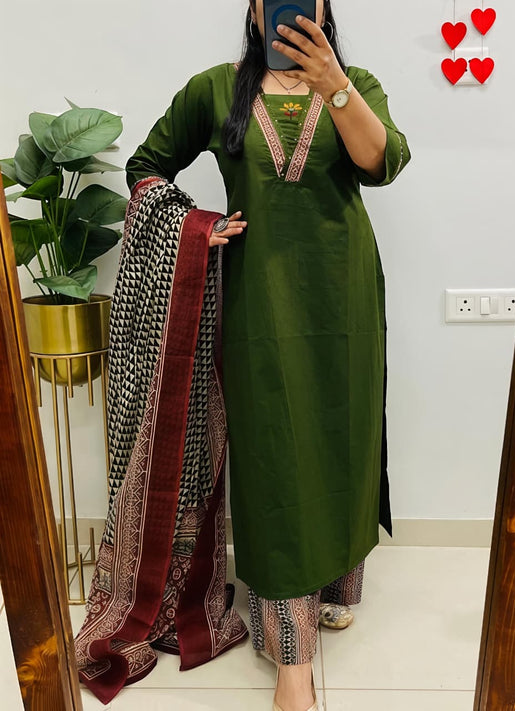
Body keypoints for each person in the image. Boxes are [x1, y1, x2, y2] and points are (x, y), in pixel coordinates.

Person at [124, 2, 410, 710]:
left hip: (344, 300)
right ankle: (291, 656)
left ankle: (334, 585)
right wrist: (198, 225)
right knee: (273, 456)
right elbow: (147, 167)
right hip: (260, 301)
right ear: (253, 9)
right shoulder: (214, 88)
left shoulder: (358, 84)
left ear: (324, 8)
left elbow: (382, 163)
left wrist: (334, 85)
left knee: (341, 441)